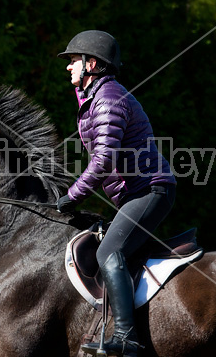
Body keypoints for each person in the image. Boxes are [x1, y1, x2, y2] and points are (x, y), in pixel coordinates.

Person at [56, 30, 177, 357]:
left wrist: (73, 195)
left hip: (151, 189)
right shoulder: (95, 98)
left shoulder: (108, 98)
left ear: (91, 63)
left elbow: (103, 159)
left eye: (73, 61)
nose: (68, 68)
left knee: (107, 253)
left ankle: (126, 338)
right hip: (136, 194)